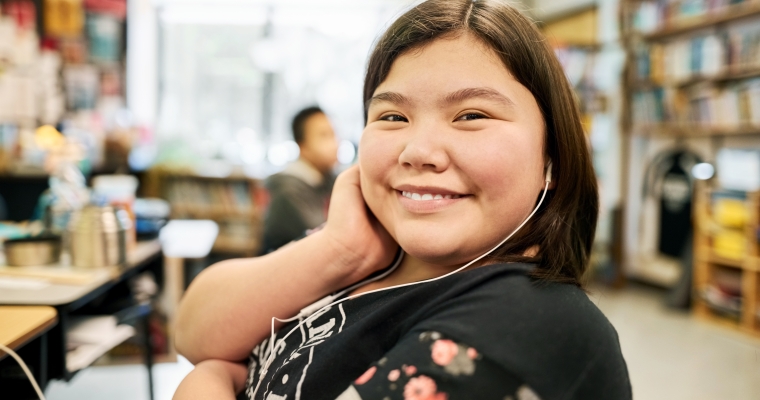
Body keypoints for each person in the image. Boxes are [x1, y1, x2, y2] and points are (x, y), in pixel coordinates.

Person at [173, 1, 631, 399]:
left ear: (551, 153)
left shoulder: (532, 324)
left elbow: (206, 360)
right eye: (393, 115)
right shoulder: (371, 251)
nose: (418, 152)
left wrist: (204, 383)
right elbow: (193, 330)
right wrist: (339, 250)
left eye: (471, 115)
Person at [261, 106, 338, 253]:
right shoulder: (288, 190)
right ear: (302, 146)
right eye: (324, 136)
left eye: (334, 134)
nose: (335, 144)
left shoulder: (328, 178)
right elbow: (326, 238)